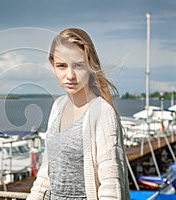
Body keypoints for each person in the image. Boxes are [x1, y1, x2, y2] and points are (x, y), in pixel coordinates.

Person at [26, 28, 130, 200]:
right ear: (52, 65)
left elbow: (111, 188)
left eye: (78, 65)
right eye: (62, 66)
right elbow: (45, 175)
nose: (70, 75)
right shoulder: (58, 106)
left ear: (90, 66)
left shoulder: (102, 113)